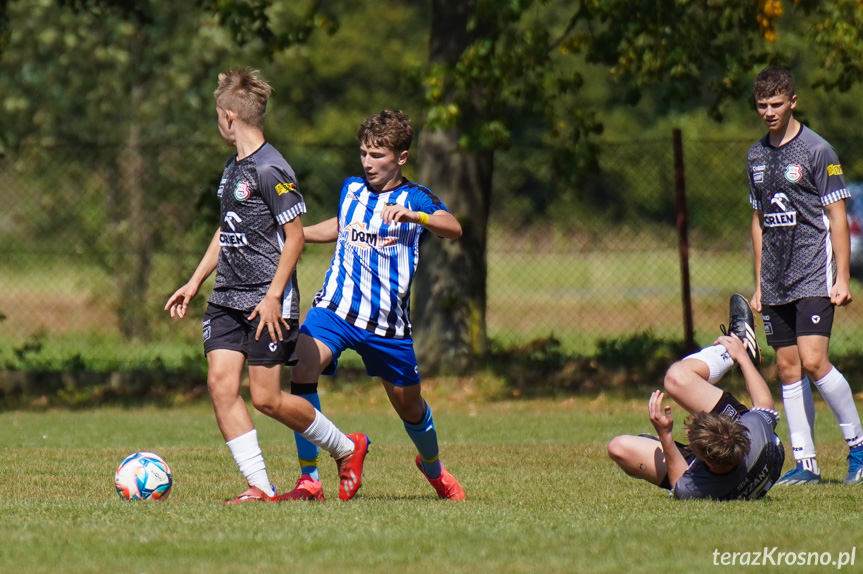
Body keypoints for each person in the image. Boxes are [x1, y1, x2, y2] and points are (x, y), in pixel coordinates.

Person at [165, 67, 368, 504]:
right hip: (226, 298)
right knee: (221, 384)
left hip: (266, 300)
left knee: (267, 399)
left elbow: (295, 237)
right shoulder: (233, 166)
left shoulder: (273, 168)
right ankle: (260, 485)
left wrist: (274, 296)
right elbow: (227, 230)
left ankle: (347, 448)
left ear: (228, 117)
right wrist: (195, 280)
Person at [276, 109, 467, 502]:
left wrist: (416, 215)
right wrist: (297, 236)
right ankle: (309, 479)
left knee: (410, 408)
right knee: (303, 367)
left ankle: (433, 470)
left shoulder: (414, 197)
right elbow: (341, 225)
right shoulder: (351, 189)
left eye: (377, 156)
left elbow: (453, 227)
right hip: (336, 310)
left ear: (401, 158)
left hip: (387, 325)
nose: (367, 162)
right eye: (363, 153)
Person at [747, 65, 863, 486]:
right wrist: (760, 282)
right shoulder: (756, 156)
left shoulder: (817, 151)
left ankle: (858, 448)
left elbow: (837, 217)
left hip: (814, 273)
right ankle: (805, 464)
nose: (769, 112)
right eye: (762, 105)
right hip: (775, 280)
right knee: (788, 367)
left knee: (814, 361)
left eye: (776, 104)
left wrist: (844, 277)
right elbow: (758, 220)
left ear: (792, 101)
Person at [608, 295, 785, 500]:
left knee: (618, 448)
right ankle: (739, 343)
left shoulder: (695, 489)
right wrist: (743, 358)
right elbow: (765, 404)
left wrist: (666, 436)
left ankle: (730, 348)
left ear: (702, 461)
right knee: (676, 379)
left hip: (717, 466)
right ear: (736, 427)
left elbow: (679, 483)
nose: (688, 430)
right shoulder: (755, 433)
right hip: (750, 453)